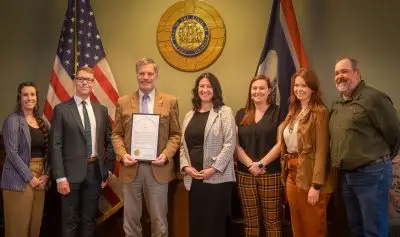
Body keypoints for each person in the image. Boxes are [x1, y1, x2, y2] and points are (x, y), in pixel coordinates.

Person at [329, 57, 400, 237]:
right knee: (355, 227)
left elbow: (395, 133)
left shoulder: (373, 98)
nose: (340, 76)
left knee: (374, 230)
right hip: (346, 176)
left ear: (357, 73)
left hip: (371, 174)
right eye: (337, 73)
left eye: (344, 71)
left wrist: (380, 160)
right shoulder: (337, 104)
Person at [112, 58, 181, 237]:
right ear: (137, 75)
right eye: (142, 73)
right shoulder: (123, 102)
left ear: (156, 75)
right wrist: (122, 154)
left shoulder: (170, 101)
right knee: (131, 220)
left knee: (159, 220)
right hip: (130, 168)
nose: (145, 77)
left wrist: (166, 155)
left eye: (150, 73)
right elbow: (116, 134)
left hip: (158, 169)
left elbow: (175, 134)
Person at [50, 66, 115, 237]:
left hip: (94, 173)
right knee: (69, 221)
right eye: (81, 79)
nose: (85, 82)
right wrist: (60, 177)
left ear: (93, 83)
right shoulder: (61, 110)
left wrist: (107, 169)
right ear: (75, 81)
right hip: (69, 175)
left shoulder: (101, 110)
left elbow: (110, 142)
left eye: (89, 79)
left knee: (89, 220)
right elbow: (55, 145)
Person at [180, 72, 236, 237]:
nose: (205, 89)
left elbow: (229, 144)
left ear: (215, 89)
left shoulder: (224, 112)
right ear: (197, 89)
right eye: (201, 86)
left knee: (214, 226)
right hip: (195, 179)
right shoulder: (190, 114)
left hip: (217, 179)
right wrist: (186, 167)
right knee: (197, 224)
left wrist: (213, 169)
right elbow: (182, 146)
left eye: (209, 86)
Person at [280, 68, 334, 237]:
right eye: (296, 85)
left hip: (310, 176)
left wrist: (316, 185)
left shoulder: (320, 112)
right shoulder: (293, 111)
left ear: (312, 88)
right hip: (291, 173)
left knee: (313, 227)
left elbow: (322, 151)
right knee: (297, 225)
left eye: (303, 85)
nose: (299, 89)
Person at [235, 74, 283, 237]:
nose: (257, 91)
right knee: (250, 220)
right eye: (254, 88)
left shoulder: (279, 112)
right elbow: (235, 144)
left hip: (270, 173)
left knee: (272, 221)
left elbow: (280, 144)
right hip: (245, 173)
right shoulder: (241, 114)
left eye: (262, 88)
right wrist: (250, 165)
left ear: (269, 90)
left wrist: (260, 164)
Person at [1, 81, 50, 237]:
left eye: (32, 94)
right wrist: (29, 177)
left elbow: (50, 151)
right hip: (19, 179)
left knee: (34, 227)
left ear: (37, 97)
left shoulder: (42, 121)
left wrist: (47, 174)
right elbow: (12, 153)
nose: (29, 98)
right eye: (25, 94)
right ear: (19, 98)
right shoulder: (13, 120)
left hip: (40, 179)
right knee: (18, 228)